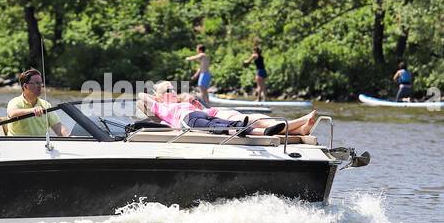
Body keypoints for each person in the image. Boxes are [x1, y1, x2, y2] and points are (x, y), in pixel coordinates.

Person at [137, 82, 321, 136]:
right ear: (161, 95)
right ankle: (288, 126)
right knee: (223, 125)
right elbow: (141, 97)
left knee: (236, 120)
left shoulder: (181, 101)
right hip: (190, 120)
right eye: (169, 90)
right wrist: (157, 98)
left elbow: (205, 109)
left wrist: (195, 103)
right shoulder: (162, 106)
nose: (174, 92)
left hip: (202, 114)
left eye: (174, 88)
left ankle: (296, 127)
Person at [5, 68, 71, 137]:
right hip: (17, 145)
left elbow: (58, 128)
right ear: (25, 86)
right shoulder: (15, 102)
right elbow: (12, 113)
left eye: (40, 83)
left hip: (41, 145)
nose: (40, 86)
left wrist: (70, 137)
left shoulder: (46, 105)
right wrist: (32, 110)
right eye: (36, 83)